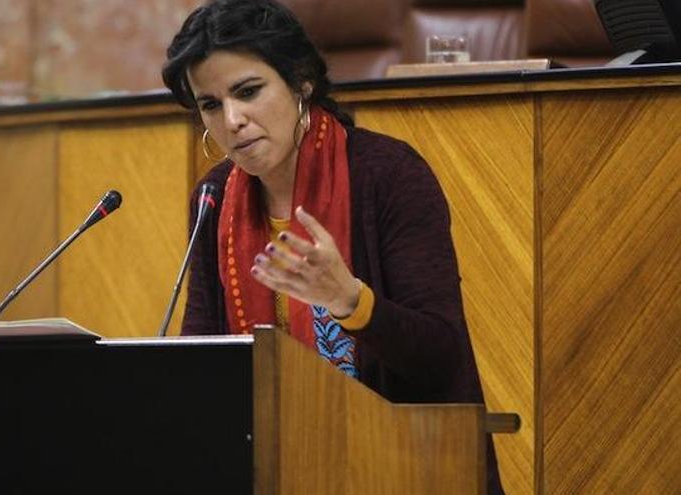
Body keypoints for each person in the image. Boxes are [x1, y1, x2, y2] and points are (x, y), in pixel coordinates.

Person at [163, 1, 503, 493]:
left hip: (405, 464)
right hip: (275, 466)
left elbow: (442, 357)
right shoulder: (214, 197)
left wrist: (351, 302)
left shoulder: (389, 176)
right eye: (210, 104)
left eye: (249, 91)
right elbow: (203, 360)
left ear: (301, 80)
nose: (232, 119)